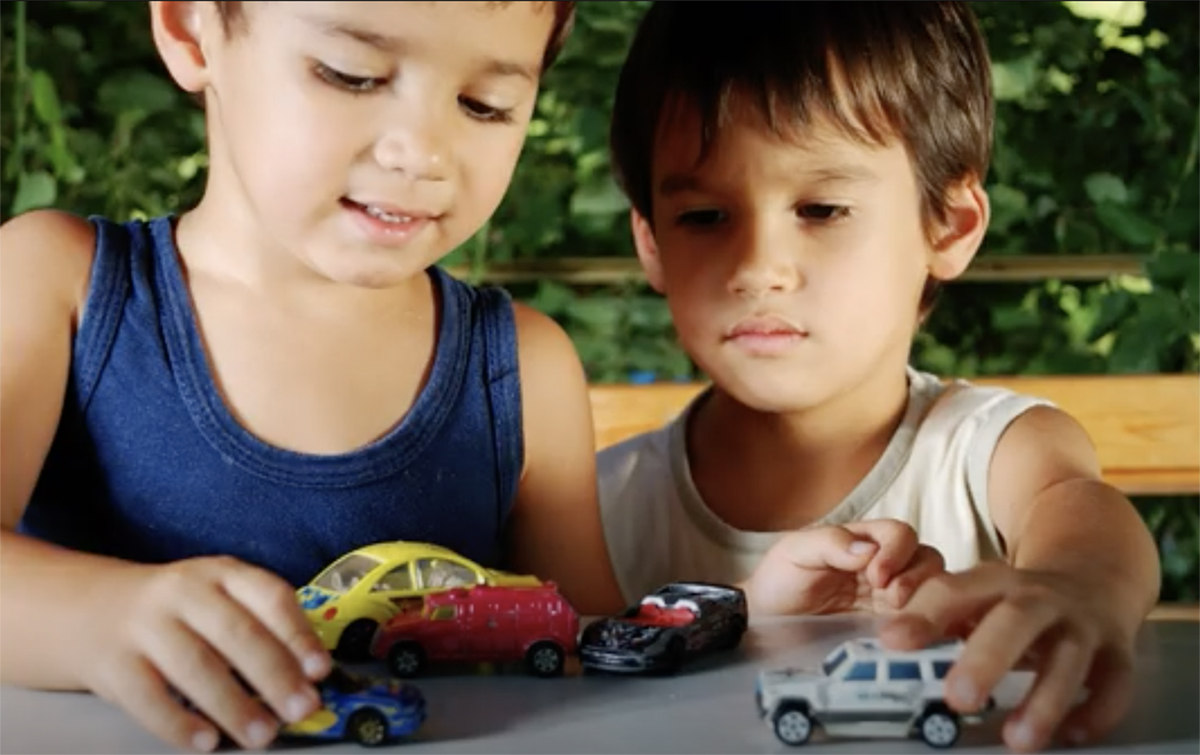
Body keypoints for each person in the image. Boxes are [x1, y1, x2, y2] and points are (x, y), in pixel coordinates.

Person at [0, 2, 626, 752]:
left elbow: (593, 671)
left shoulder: (526, 368)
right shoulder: (56, 285)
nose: (423, 153)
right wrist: (100, 617)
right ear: (192, 28)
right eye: (352, 75)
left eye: (484, 104)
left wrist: (745, 612)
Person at [597, 2, 1161, 752]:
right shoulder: (597, 505)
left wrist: (1081, 583)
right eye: (704, 216)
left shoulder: (990, 450)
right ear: (651, 243)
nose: (758, 268)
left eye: (822, 208)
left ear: (949, 225)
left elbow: (1078, 510)